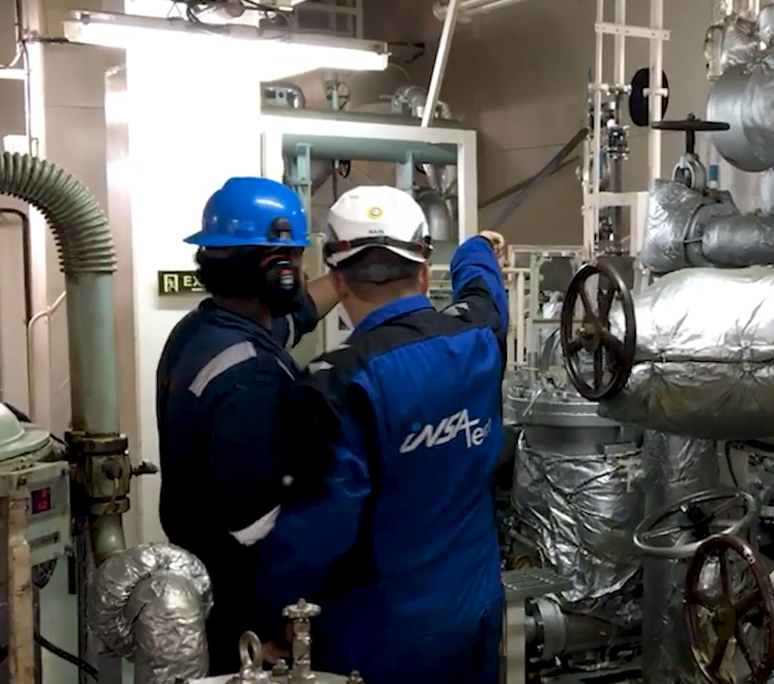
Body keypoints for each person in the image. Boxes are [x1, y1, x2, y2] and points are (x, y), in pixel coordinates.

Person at [251, 184, 509, 684]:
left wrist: (272, 618)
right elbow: (484, 294)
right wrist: (477, 249)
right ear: (424, 271)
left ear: (338, 281)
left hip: (376, 637)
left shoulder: (333, 385)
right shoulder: (478, 339)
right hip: (472, 615)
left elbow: (316, 531)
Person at [155, 176, 342, 674]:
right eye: (298, 264)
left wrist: (346, 277)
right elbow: (254, 526)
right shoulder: (251, 378)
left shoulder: (203, 330)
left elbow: (294, 317)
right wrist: (277, 621)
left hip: (205, 577)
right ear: (276, 271)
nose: (303, 278)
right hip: (244, 606)